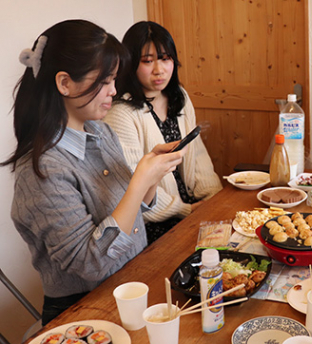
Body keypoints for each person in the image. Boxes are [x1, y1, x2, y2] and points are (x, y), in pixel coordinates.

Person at [3, 20, 186, 325]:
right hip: (85, 310)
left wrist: (150, 179)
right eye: (104, 81)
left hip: (132, 283)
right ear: (64, 83)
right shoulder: (42, 170)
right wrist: (138, 181)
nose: (113, 91)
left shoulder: (101, 132)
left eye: (114, 79)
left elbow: (131, 214)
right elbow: (92, 263)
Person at [105, 21, 222, 244]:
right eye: (147, 61)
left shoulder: (179, 97)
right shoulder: (121, 112)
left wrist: (212, 200)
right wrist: (185, 210)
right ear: (130, 64)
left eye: (165, 59)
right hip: (154, 223)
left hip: (192, 210)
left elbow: (197, 155)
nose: (159, 70)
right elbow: (133, 186)